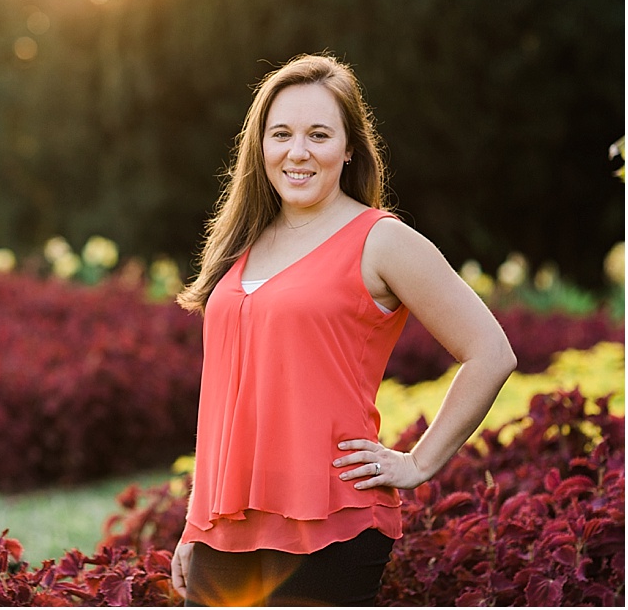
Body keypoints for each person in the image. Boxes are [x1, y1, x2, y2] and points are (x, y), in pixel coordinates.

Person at [170, 53, 517, 606]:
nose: (297, 151)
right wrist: (194, 525)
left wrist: (418, 462)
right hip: (224, 530)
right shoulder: (241, 245)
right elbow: (220, 397)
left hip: (331, 522)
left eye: (318, 134)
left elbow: (490, 352)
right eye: (280, 133)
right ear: (260, 145)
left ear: (349, 146)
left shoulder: (381, 240)